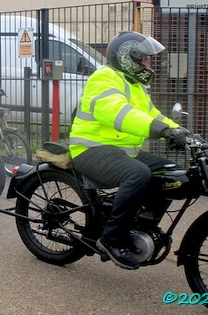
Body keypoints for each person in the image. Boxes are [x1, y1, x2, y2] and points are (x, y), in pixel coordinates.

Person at [69, 31, 189, 270]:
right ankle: (111, 238)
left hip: (122, 152)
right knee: (138, 174)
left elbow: (153, 115)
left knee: (174, 173)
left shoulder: (136, 85)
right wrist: (159, 130)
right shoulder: (104, 78)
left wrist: (182, 133)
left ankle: (142, 221)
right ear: (127, 57)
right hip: (91, 149)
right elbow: (118, 112)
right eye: (144, 59)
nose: (148, 64)